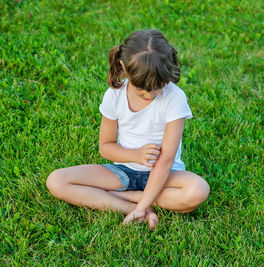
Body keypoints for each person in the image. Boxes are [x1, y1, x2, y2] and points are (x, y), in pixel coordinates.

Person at [46, 29, 210, 230]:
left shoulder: (175, 98)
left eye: (157, 88)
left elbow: (166, 159)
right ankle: (128, 206)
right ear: (124, 67)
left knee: (198, 190)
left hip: (166, 176)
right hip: (123, 171)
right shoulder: (114, 95)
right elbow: (106, 147)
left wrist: (143, 203)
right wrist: (135, 155)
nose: (150, 95)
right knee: (57, 180)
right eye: (142, 89)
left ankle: (127, 199)